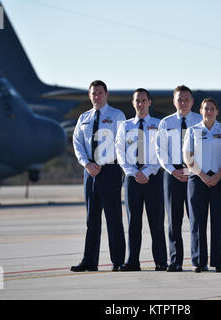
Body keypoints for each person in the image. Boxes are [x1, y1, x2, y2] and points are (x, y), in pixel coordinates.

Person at [71, 80, 126, 272]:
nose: (97, 97)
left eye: (100, 93)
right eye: (93, 93)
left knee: (113, 218)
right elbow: (77, 142)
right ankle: (89, 261)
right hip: (89, 172)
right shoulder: (84, 118)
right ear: (89, 95)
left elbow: (120, 144)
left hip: (109, 171)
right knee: (91, 219)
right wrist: (86, 163)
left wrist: (100, 164)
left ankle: (118, 261)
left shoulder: (117, 116)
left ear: (106, 94)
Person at [115, 88, 168, 271]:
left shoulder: (158, 124)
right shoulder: (125, 126)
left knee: (156, 222)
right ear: (133, 103)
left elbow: (162, 152)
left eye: (143, 100)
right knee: (133, 222)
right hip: (131, 179)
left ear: (149, 102)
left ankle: (161, 262)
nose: (140, 104)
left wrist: (147, 172)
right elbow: (120, 153)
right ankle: (132, 261)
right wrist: (132, 171)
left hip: (153, 178)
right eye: (137, 100)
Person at [155, 85, 202, 272]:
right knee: (174, 222)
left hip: (195, 177)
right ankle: (175, 261)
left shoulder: (200, 121)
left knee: (196, 220)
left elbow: (203, 151)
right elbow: (160, 150)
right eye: (179, 99)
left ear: (192, 102)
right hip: (172, 175)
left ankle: (199, 261)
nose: (183, 102)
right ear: (174, 101)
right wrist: (172, 170)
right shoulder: (166, 123)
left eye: (186, 99)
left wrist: (193, 171)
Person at [183, 98, 221, 273]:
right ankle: (199, 261)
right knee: (197, 222)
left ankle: (218, 262)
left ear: (217, 111)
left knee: (219, 222)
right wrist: (202, 176)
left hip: (220, 179)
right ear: (200, 111)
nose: (208, 112)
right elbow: (188, 157)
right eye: (205, 109)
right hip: (198, 179)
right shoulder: (193, 131)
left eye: (212, 109)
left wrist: (218, 175)